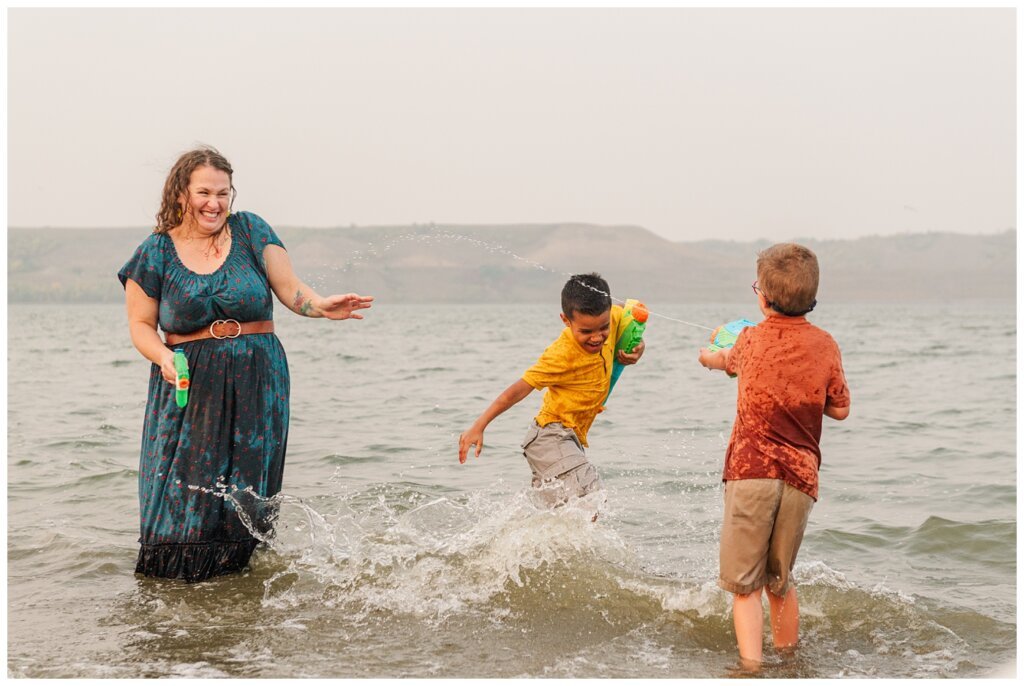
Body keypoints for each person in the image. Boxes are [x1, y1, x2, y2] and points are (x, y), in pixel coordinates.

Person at [118, 146, 373, 583]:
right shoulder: (155, 252)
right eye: (204, 192)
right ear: (181, 194)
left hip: (259, 377)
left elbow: (291, 289)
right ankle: (175, 589)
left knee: (247, 490)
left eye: (223, 192)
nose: (214, 203)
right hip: (187, 381)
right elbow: (141, 325)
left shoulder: (252, 230)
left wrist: (320, 306)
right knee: (185, 490)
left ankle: (240, 584)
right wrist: (163, 356)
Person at [697, 243, 850, 669]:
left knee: (744, 585)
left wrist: (705, 354)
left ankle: (751, 669)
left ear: (762, 297)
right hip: (801, 480)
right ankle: (789, 661)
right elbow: (840, 408)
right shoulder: (826, 345)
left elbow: (720, 359)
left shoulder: (749, 339)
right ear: (812, 299)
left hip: (751, 473)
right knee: (779, 581)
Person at [458, 273, 644, 509]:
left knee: (556, 517)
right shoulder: (561, 354)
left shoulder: (611, 317)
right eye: (586, 331)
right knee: (592, 499)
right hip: (551, 436)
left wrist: (638, 349)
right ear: (566, 320)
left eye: (603, 327)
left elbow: (627, 316)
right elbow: (518, 389)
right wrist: (480, 424)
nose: (597, 337)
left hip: (569, 440)